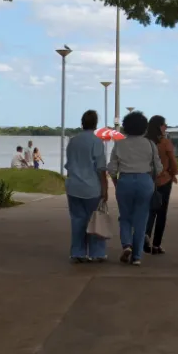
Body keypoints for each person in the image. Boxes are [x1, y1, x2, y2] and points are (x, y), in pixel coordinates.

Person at [110, 111, 160, 265]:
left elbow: (112, 169)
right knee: (141, 219)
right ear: (144, 127)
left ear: (125, 127)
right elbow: (158, 167)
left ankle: (126, 245)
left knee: (125, 216)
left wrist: (116, 182)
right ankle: (137, 257)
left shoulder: (119, 144)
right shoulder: (150, 144)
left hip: (124, 180)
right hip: (145, 181)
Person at [65, 110, 110, 263]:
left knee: (77, 220)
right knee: (95, 219)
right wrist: (105, 189)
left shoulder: (73, 141)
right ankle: (96, 252)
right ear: (95, 124)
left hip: (73, 187)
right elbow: (101, 168)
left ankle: (78, 252)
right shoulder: (97, 142)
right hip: (91, 188)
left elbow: (69, 164)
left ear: (82, 122)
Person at [145, 115, 178, 255]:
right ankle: (156, 245)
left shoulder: (145, 142)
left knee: (149, 211)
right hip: (164, 180)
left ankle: (145, 235)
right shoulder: (165, 143)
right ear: (159, 126)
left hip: (147, 180)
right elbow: (173, 162)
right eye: (164, 124)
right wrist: (173, 174)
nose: (166, 127)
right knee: (161, 212)